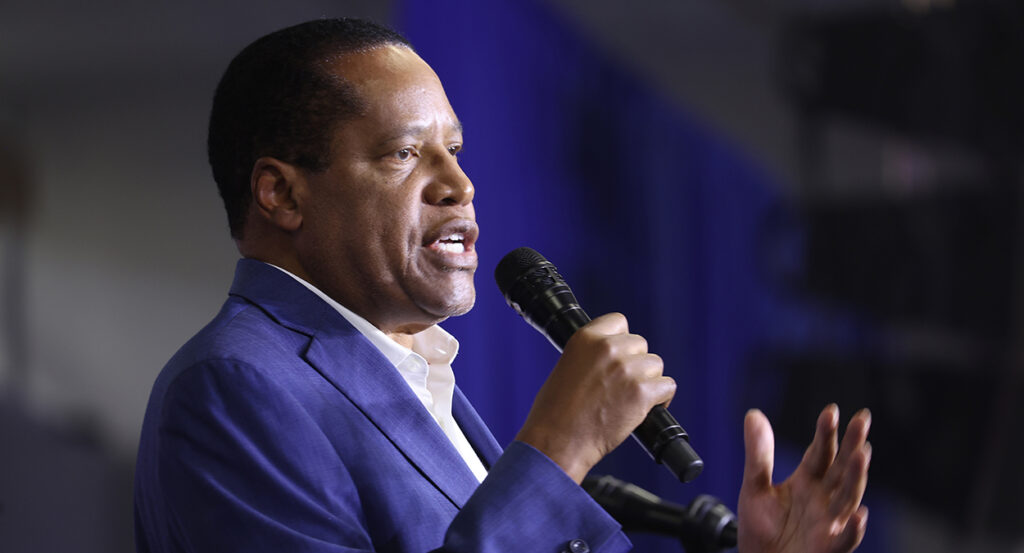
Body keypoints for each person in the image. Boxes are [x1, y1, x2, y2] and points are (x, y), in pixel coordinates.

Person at [133, 18, 871, 553]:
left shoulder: (417, 379)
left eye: (454, 149)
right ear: (282, 195)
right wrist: (556, 451)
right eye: (404, 153)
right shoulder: (233, 387)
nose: (458, 183)